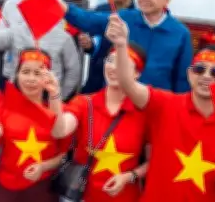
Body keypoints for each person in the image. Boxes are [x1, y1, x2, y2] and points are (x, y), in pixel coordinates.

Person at [106, 13, 215, 201]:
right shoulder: (166, 103)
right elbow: (128, 84)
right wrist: (121, 45)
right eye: (199, 69)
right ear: (190, 74)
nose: (206, 76)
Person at [50, 42, 150, 202]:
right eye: (110, 60)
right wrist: (54, 95)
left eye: (122, 63)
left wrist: (130, 176)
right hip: (81, 194)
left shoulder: (145, 112)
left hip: (124, 197)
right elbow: (59, 131)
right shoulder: (84, 103)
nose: (113, 67)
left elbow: (153, 161)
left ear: (137, 73)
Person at [64, 0, 193, 92]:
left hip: (157, 102)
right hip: (119, 96)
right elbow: (88, 20)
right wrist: (64, 7)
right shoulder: (124, 18)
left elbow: (182, 79)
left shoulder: (180, 33)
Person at [0, 49, 64, 201]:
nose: (31, 79)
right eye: (25, 72)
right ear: (16, 75)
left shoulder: (57, 110)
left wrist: (43, 166)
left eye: (38, 73)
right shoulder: (5, 107)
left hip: (42, 188)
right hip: (7, 188)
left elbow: (64, 156)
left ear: (48, 78)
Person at [79, 0, 140, 94]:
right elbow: (94, 42)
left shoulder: (137, 19)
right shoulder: (101, 10)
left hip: (120, 85)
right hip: (94, 81)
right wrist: (89, 45)